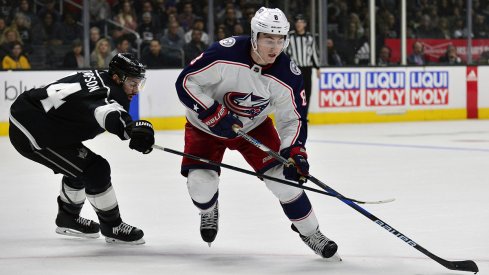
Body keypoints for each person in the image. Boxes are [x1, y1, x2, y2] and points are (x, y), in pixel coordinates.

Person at [175, 7, 339, 259]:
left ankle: (311, 233)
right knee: (200, 185)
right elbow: (186, 81)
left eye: (280, 39)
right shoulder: (224, 52)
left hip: (254, 127)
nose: (274, 47)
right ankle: (208, 209)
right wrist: (212, 112)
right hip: (204, 127)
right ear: (254, 36)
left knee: (284, 182)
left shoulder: (289, 74)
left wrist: (295, 150)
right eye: (268, 39)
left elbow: (292, 118)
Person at [9, 53, 154, 244]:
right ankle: (112, 226)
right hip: (33, 132)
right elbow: (105, 110)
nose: (136, 90)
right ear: (117, 78)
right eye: (133, 83)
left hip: (34, 117)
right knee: (96, 169)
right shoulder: (111, 92)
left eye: (139, 83)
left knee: (78, 166)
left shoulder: (101, 75)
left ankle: (68, 218)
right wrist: (129, 128)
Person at [285, 14, 320, 116]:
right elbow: (285, 53)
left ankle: (304, 114)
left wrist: (317, 68)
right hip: (295, 69)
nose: (298, 24)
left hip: (307, 68)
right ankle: (295, 113)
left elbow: (313, 53)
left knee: (307, 92)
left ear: (305, 24)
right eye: (297, 22)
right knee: (295, 91)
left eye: (301, 22)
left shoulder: (310, 37)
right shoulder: (290, 36)